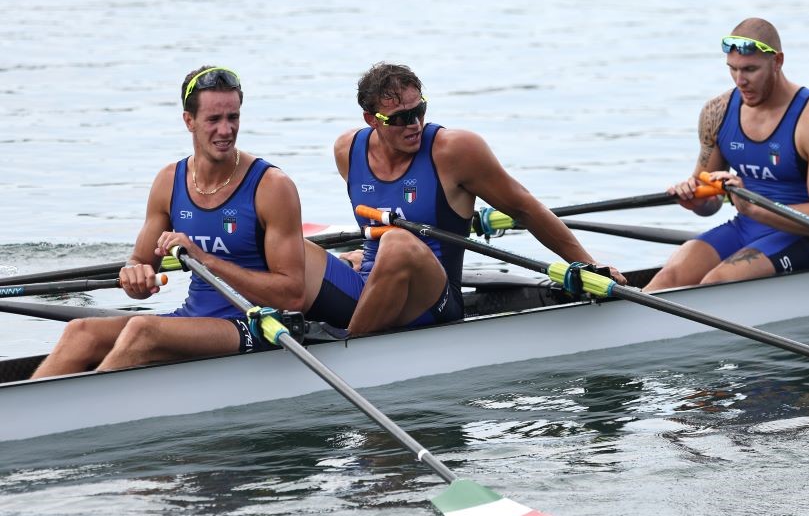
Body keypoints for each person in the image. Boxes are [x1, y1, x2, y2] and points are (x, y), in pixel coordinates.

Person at [32, 66, 346, 378]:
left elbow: (291, 295)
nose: (226, 131)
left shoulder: (271, 186)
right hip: (196, 317)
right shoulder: (169, 181)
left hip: (256, 323)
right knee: (81, 331)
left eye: (233, 118)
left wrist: (204, 259)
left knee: (142, 329)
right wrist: (136, 275)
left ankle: (81, 415)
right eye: (214, 120)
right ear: (189, 120)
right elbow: (141, 265)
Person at [331, 62, 625, 334]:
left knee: (397, 242)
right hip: (371, 283)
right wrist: (366, 255)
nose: (415, 124)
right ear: (372, 120)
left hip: (434, 300)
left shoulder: (455, 151)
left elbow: (524, 208)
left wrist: (588, 265)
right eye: (401, 118)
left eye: (420, 110)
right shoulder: (348, 149)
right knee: (295, 251)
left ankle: (349, 344)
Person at [643, 18, 809, 292]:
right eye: (733, 69)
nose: (740, 81)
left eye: (751, 70)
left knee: (715, 285)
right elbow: (709, 200)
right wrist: (694, 199)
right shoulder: (717, 112)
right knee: (667, 280)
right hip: (744, 227)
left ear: (777, 62)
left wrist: (752, 206)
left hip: (803, 238)